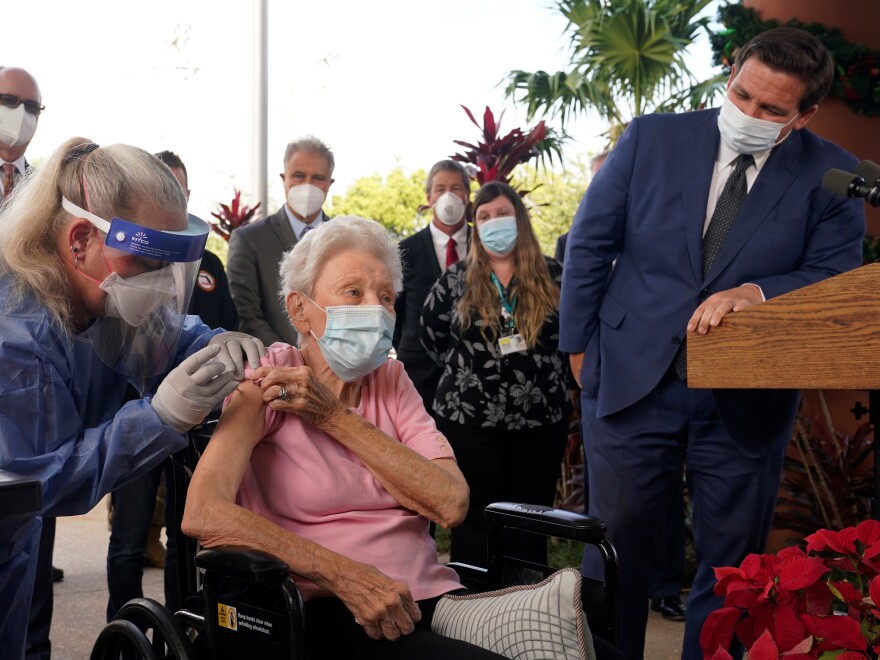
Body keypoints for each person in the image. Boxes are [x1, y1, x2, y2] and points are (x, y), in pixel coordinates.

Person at [560, 27, 866, 660]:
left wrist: (755, 291)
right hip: (629, 378)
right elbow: (591, 243)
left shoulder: (835, 176)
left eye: (772, 110)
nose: (749, 115)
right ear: (730, 73)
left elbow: (834, 274)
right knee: (616, 555)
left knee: (734, 571)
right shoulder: (652, 137)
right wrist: (578, 348)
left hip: (746, 399)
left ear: (803, 114)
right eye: (742, 94)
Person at [183, 216, 506, 659]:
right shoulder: (268, 378)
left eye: (386, 297)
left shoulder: (390, 378)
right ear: (299, 309)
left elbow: (450, 502)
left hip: (430, 598)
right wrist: (343, 574)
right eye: (353, 292)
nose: (374, 309)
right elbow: (203, 513)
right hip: (321, 606)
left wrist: (334, 417)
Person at [0, 137, 265, 660]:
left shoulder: (102, 293)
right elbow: (41, 482)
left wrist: (213, 342)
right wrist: (160, 417)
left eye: (174, 269)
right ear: (80, 240)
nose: (165, 289)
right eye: (151, 265)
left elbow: (169, 335)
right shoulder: (18, 332)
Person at [104, 149, 240, 621]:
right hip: (133, 414)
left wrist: (224, 344)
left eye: (178, 192)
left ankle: (183, 626)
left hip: (193, 417)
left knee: (185, 536)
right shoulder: (113, 274)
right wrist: (152, 412)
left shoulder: (209, 266)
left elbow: (201, 325)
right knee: (129, 537)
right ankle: (123, 628)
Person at [558, 147, 689, 623]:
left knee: (669, 500)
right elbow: (579, 291)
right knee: (615, 517)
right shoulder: (572, 241)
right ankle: (606, 623)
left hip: (681, 375)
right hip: (613, 379)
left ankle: (666, 585)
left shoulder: (671, 232)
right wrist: (581, 361)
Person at [420, 181, 570, 569]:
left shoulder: (556, 276)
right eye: (483, 217)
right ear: (474, 226)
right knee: (474, 521)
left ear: (519, 219)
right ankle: (473, 611)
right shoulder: (454, 279)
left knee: (531, 523)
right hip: (469, 424)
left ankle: (527, 607)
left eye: (501, 214)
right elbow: (431, 337)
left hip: (540, 424)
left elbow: (573, 337)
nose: (492, 223)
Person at [227, 136, 334, 346]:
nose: (307, 185)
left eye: (318, 178)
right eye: (299, 176)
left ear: (329, 184)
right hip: (275, 366)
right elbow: (246, 315)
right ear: (284, 178)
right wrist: (291, 357)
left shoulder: (346, 240)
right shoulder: (249, 240)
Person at [393, 159, 471, 413]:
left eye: (456, 188)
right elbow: (394, 311)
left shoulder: (486, 245)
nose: (448, 195)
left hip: (475, 373)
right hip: (418, 373)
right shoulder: (405, 251)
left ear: (468, 196)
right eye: (440, 189)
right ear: (429, 197)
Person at [554, 150, 609, 264]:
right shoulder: (567, 243)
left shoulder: (648, 233)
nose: (604, 186)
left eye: (610, 176)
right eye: (597, 180)